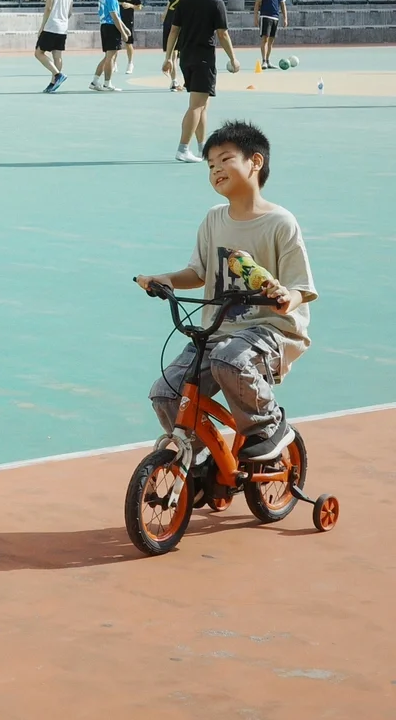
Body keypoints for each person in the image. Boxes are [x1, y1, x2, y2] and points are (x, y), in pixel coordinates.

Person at [134, 120, 316, 463]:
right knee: (166, 391)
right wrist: (167, 279)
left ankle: (268, 426)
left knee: (229, 359)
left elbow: (301, 288)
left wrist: (283, 299)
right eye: (211, 165)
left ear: (255, 162)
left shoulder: (280, 222)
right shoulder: (214, 219)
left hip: (270, 331)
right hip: (219, 331)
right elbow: (198, 273)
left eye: (225, 159)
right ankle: (202, 459)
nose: (216, 169)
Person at [163, 0, 241, 161]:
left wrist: (168, 58)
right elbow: (222, 34)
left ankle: (202, 148)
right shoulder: (216, 3)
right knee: (196, 106)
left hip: (186, 57)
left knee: (202, 105)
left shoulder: (185, 1)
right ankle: (183, 148)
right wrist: (233, 58)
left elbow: (174, 30)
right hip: (204, 59)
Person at [34, 0, 75, 93]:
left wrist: (42, 26)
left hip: (51, 25)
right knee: (57, 56)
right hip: (63, 27)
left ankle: (57, 75)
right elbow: (69, 12)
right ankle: (53, 83)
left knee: (38, 53)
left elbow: (48, 8)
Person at [90, 0, 131, 91]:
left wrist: (125, 28)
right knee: (111, 57)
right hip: (111, 27)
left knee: (108, 56)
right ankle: (107, 83)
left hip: (104, 26)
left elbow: (116, 15)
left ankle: (95, 81)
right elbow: (115, 17)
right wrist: (123, 32)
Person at [251, 0, 289, 70]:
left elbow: (283, 5)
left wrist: (285, 18)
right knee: (265, 39)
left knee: (271, 41)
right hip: (265, 17)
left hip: (275, 18)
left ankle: (268, 61)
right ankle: (263, 61)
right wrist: (255, 17)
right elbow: (257, 5)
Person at [159, 0, 188, 92]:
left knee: (173, 56)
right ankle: (188, 80)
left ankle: (174, 81)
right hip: (181, 25)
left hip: (169, 24)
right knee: (185, 53)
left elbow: (164, 15)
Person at [115, 0, 142, 76]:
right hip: (117, 20)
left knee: (128, 43)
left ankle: (130, 63)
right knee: (115, 44)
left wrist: (130, 5)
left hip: (128, 21)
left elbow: (139, 6)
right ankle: (114, 63)